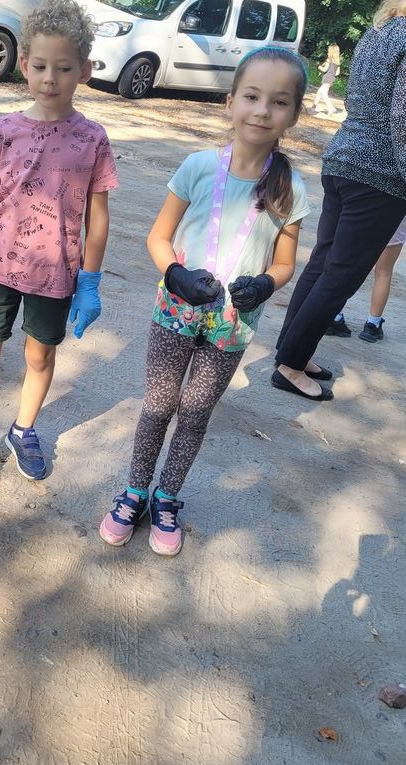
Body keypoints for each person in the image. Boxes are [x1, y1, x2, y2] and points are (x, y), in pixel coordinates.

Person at [100, 47, 310, 556]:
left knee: (194, 413)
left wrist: (267, 284)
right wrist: (174, 272)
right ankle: (135, 491)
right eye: (252, 96)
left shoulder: (290, 190)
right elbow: (158, 236)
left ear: (293, 115)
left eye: (279, 102)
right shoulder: (197, 167)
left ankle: (167, 498)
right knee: (158, 406)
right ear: (230, 101)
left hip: (232, 325)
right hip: (175, 313)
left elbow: (285, 263)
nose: (262, 110)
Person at [0, 0, 119, 512]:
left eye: (64, 68)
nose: (50, 78)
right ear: (23, 64)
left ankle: (23, 428)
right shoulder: (5, 131)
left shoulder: (93, 139)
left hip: (57, 276)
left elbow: (98, 216)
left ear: (84, 70)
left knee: (40, 357)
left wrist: (91, 281)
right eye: (39, 66)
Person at [274, 0, 406, 400]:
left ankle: (291, 352)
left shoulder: (378, 32)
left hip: (342, 157)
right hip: (380, 173)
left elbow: (360, 100)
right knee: (342, 274)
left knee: (323, 263)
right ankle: (290, 364)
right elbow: (403, 116)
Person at [326, 215, 406, 341]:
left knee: (348, 265)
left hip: (366, 211)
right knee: (384, 273)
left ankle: (335, 316)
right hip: (397, 215)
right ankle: (372, 324)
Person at [309, 43, 340, 117]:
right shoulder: (337, 62)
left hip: (327, 78)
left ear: (331, 51)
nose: (327, 52)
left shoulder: (329, 60)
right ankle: (313, 108)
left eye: (328, 50)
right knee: (319, 92)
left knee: (324, 94)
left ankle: (331, 108)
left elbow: (324, 69)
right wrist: (331, 73)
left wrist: (318, 66)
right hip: (331, 78)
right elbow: (337, 73)